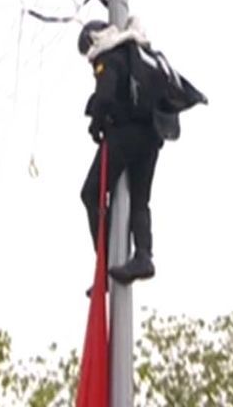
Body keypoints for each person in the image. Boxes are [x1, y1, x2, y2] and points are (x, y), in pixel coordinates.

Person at [78, 16, 163, 284]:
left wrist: (95, 125)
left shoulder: (109, 55)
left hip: (125, 135)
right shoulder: (136, 50)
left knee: (91, 193)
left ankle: (104, 263)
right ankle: (143, 256)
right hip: (152, 134)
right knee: (140, 200)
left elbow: (105, 96)